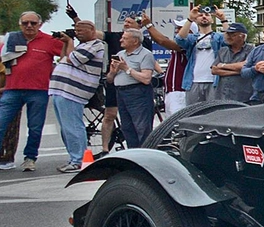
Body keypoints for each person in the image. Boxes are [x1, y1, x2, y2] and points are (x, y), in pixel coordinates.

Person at [0, 11, 63, 172]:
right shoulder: (11, 40)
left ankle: (30, 158)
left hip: (38, 91)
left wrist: (68, 41)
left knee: (35, 127)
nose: (29, 26)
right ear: (20, 24)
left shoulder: (49, 41)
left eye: (33, 23)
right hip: (12, 89)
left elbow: (68, 53)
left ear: (40, 25)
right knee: (1, 123)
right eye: (25, 23)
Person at [47, 19, 106, 173]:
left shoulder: (96, 44)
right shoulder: (81, 45)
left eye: (81, 30)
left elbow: (75, 60)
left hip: (73, 91)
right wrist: (66, 43)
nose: (78, 33)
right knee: (66, 127)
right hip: (62, 90)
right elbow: (63, 58)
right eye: (76, 30)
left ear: (92, 30)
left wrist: (69, 42)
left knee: (72, 126)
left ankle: (78, 160)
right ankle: (74, 157)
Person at [110, 27, 159, 149]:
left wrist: (127, 69)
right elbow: (110, 79)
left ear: (135, 41)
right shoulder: (120, 54)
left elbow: (146, 79)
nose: (121, 40)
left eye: (125, 38)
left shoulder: (145, 55)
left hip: (138, 92)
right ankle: (132, 152)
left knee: (142, 127)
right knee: (127, 127)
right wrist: (113, 71)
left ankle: (145, 153)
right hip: (121, 92)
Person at [211, 23, 256, 103]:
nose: (228, 37)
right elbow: (214, 70)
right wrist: (239, 71)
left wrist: (223, 65)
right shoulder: (222, 50)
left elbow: (245, 65)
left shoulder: (252, 50)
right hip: (223, 95)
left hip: (243, 96)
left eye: (232, 34)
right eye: (227, 34)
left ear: (242, 36)